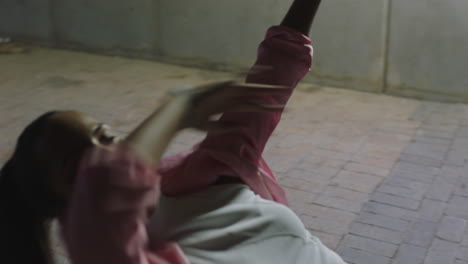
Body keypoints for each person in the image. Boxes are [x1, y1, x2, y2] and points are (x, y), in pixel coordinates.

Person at [0, 0, 347, 263]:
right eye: (78, 164)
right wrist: (180, 107)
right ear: (66, 211)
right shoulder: (108, 249)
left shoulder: (201, 170)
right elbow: (107, 190)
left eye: (103, 133)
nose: (105, 151)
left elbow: (274, 75)